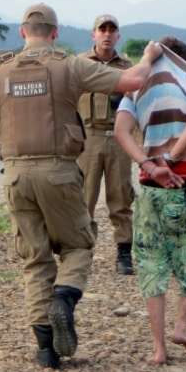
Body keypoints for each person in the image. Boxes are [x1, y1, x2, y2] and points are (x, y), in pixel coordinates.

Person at [0, 3, 163, 369]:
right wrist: (150, 55)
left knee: (35, 258)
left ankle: (45, 350)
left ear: (22, 32)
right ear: (55, 33)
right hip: (59, 172)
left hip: (14, 176)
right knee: (79, 243)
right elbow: (133, 80)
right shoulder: (70, 65)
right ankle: (64, 300)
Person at [114, 37, 186, 365]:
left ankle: (159, 348)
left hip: (151, 185)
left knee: (151, 263)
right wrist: (171, 158)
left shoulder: (137, 88)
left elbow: (121, 132)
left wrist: (149, 164)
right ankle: (182, 326)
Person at [77, 14, 135, 275]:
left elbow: (138, 103)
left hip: (118, 137)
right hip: (87, 137)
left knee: (120, 196)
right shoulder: (78, 64)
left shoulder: (127, 67)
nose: (107, 34)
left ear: (118, 36)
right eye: (102, 29)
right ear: (94, 34)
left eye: (112, 30)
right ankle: (81, 253)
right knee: (83, 199)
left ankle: (123, 253)